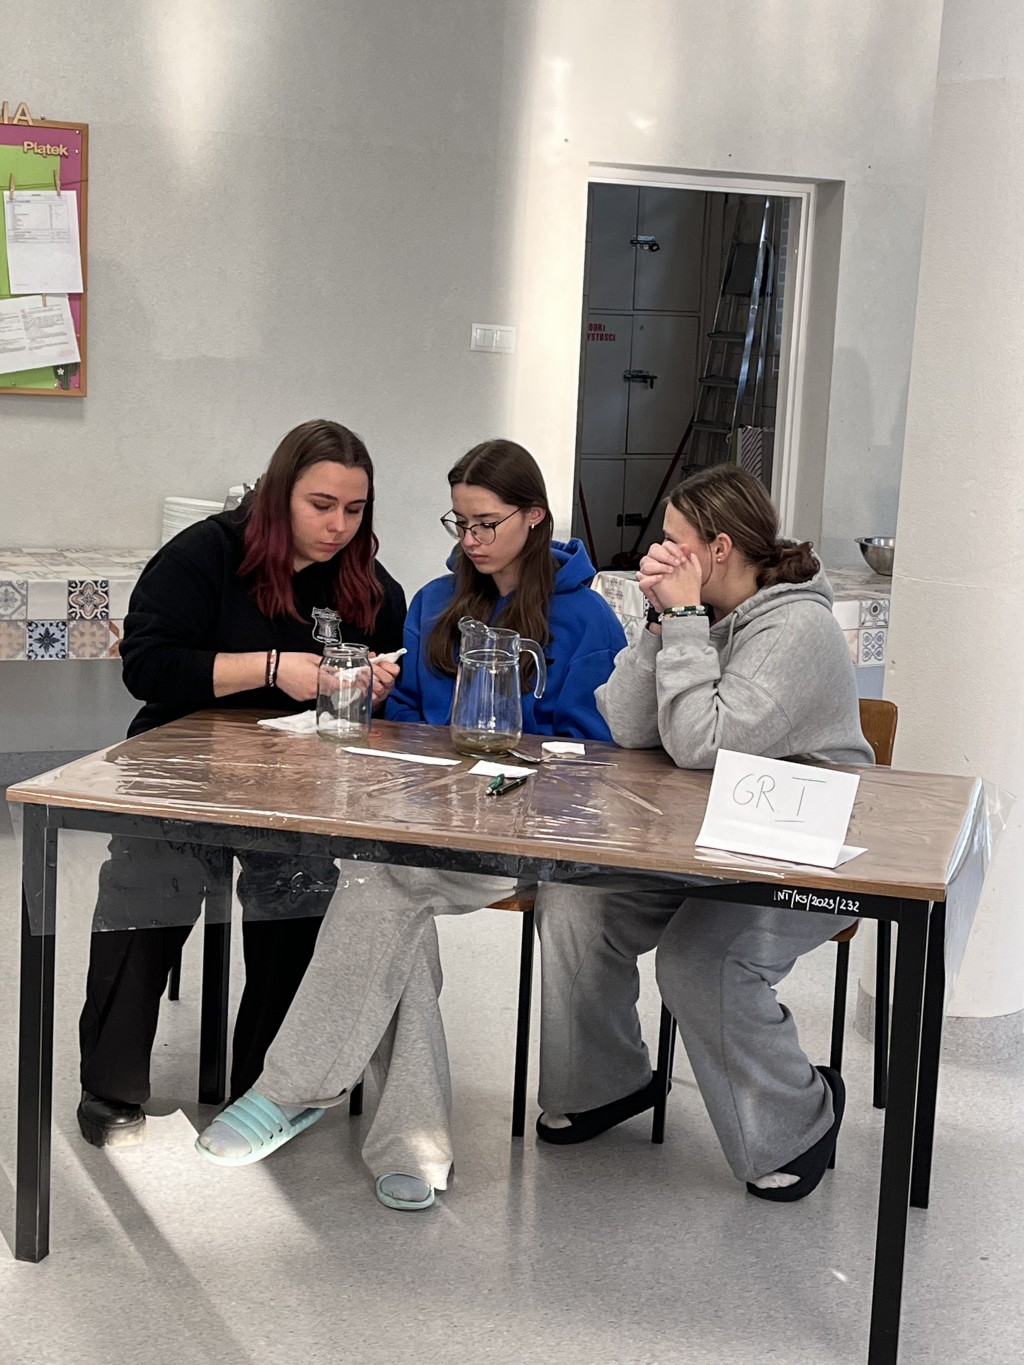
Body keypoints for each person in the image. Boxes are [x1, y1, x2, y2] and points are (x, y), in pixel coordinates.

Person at [195, 438, 628, 1210]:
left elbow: (594, 757)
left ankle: (293, 1087)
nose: (471, 538)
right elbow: (404, 728)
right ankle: (411, 1146)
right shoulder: (433, 601)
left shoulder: (588, 619)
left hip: (526, 828)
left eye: (487, 522)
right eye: (459, 521)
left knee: (379, 880)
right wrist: (378, 696)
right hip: (428, 819)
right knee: (385, 886)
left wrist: (505, 775)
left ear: (534, 516)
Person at [535, 463, 874, 1203]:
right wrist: (663, 625)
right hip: (698, 841)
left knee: (700, 960)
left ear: (718, 549)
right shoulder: (700, 616)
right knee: (575, 902)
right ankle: (607, 1082)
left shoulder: (799, 629)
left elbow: (700, 742)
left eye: (673, 541)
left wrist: (684, 618)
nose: (657, 553)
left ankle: (798, 1118)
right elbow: (628, 726)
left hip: (804, 853)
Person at [77, 419, 406, 1149]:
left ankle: (269, 1084)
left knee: (302, 894)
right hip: (182, 769)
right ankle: (111, 1082)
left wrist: (372, 690)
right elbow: (148, 666)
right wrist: (271, 668)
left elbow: (376, 709)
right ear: (280, 494)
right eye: (322, 505)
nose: (338, 525)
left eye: (354, 510)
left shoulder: (371, 587)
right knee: (147, 884)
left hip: (297, 785)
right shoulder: (206, 553)